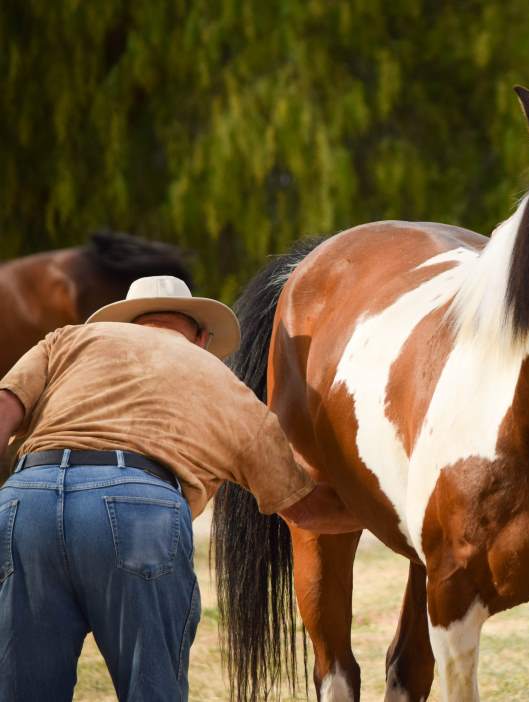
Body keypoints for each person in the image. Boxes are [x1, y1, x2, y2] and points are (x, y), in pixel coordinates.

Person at [0, 275, 358, 701]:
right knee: (152, 688)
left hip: (27, 499)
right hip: (138, 511)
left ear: (127, 324)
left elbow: (5, 406)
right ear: (202, 337)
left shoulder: (68, 340)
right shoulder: (220, 380)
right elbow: (304, 509)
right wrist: (390, 518)